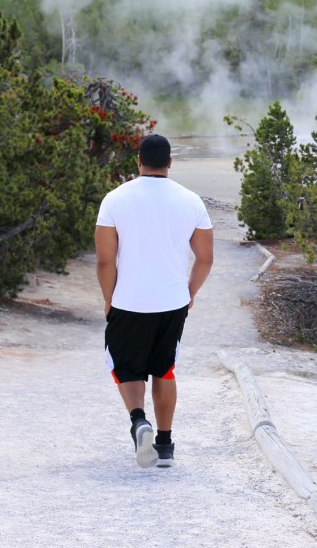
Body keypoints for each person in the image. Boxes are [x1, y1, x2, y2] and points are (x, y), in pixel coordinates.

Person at [95, 134, 214, 468]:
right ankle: (164, 445)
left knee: (126, 366)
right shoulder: (191, 201)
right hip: (172, 302)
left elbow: (106, 260)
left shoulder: (115, 199)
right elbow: (205, 258)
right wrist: (190, 292)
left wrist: (109, 299)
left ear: (138, 161)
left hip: (128, 301)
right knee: (165, 368)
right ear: (170, 163)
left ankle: (138, 421)